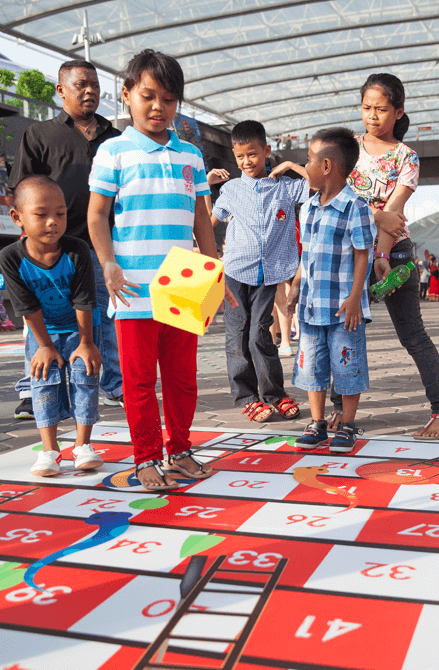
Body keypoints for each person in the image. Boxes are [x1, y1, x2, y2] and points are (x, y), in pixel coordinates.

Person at [88, 49, 236, 491]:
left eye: (169, 99)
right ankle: (146, 456)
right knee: (137, 381)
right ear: (127, 94)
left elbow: (199, 219)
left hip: (185, 282)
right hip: (132, 285)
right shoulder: (113, 152)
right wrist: (108, 263)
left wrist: (215, 272)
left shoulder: (191, 156)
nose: (158, 107)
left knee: (181, 379)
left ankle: (181, 450)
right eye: (148, 96)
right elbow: (97, 215)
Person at [337, 73, 439, 439]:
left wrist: (381, 254)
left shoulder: (407, 157)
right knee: (341, 333)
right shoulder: (346, 148)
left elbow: (395, 212)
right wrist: (372, 217)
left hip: (394, 253)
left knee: (413, 336)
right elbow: (339, 200)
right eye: (366, 108)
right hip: (346, 250)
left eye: (381, 109)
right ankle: (339, 414)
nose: (372, 116)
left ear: (399, 111)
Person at [9, 60, 123, 420]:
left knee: (105, 316)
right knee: (40, 317)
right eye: (80, 85)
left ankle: (112, 386)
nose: (89, 91)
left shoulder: (116, 138)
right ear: (61, 90)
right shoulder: (39, 134)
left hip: (102, 244)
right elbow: (22, 191)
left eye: (94, 85)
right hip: (51, 249)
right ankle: (35, 390)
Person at [0, 176, 103, 476]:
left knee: (85, 377)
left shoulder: (77, 249)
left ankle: (82, 446)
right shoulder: (10, 257)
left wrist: (87, 342)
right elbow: (26, 307)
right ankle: (49, 450)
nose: (52, 222)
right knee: (43, 382)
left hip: (81, 328)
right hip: (42, 332)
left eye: (60, 214)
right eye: (41, 214)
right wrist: (44, 346)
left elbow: (85, 299)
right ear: (17, 217)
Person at [210, 120, 306, 422]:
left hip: (270, 274)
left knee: (260, 335)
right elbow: (206, 221)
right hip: (236, 274)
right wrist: (203, 183)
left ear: (266, 151)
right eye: (240, 157)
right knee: (237, 336)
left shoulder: (286, 187)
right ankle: (248, 397)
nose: (246, 162)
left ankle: (275, 394)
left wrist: (292, 164)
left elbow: (320, 183)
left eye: (252, 154)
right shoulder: (230, 189)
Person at [287, 127, 375, 453]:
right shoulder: (307, 207)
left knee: (346, 365)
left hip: (343, 309)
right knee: (312, 365)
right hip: (311, 306)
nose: (305, 166)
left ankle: (348, 424)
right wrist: (296, 287)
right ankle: (318, 422)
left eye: (308, 160)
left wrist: (355, 297)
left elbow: (363, 253)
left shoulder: (357, 207)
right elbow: (305, 254)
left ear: (326, 166)